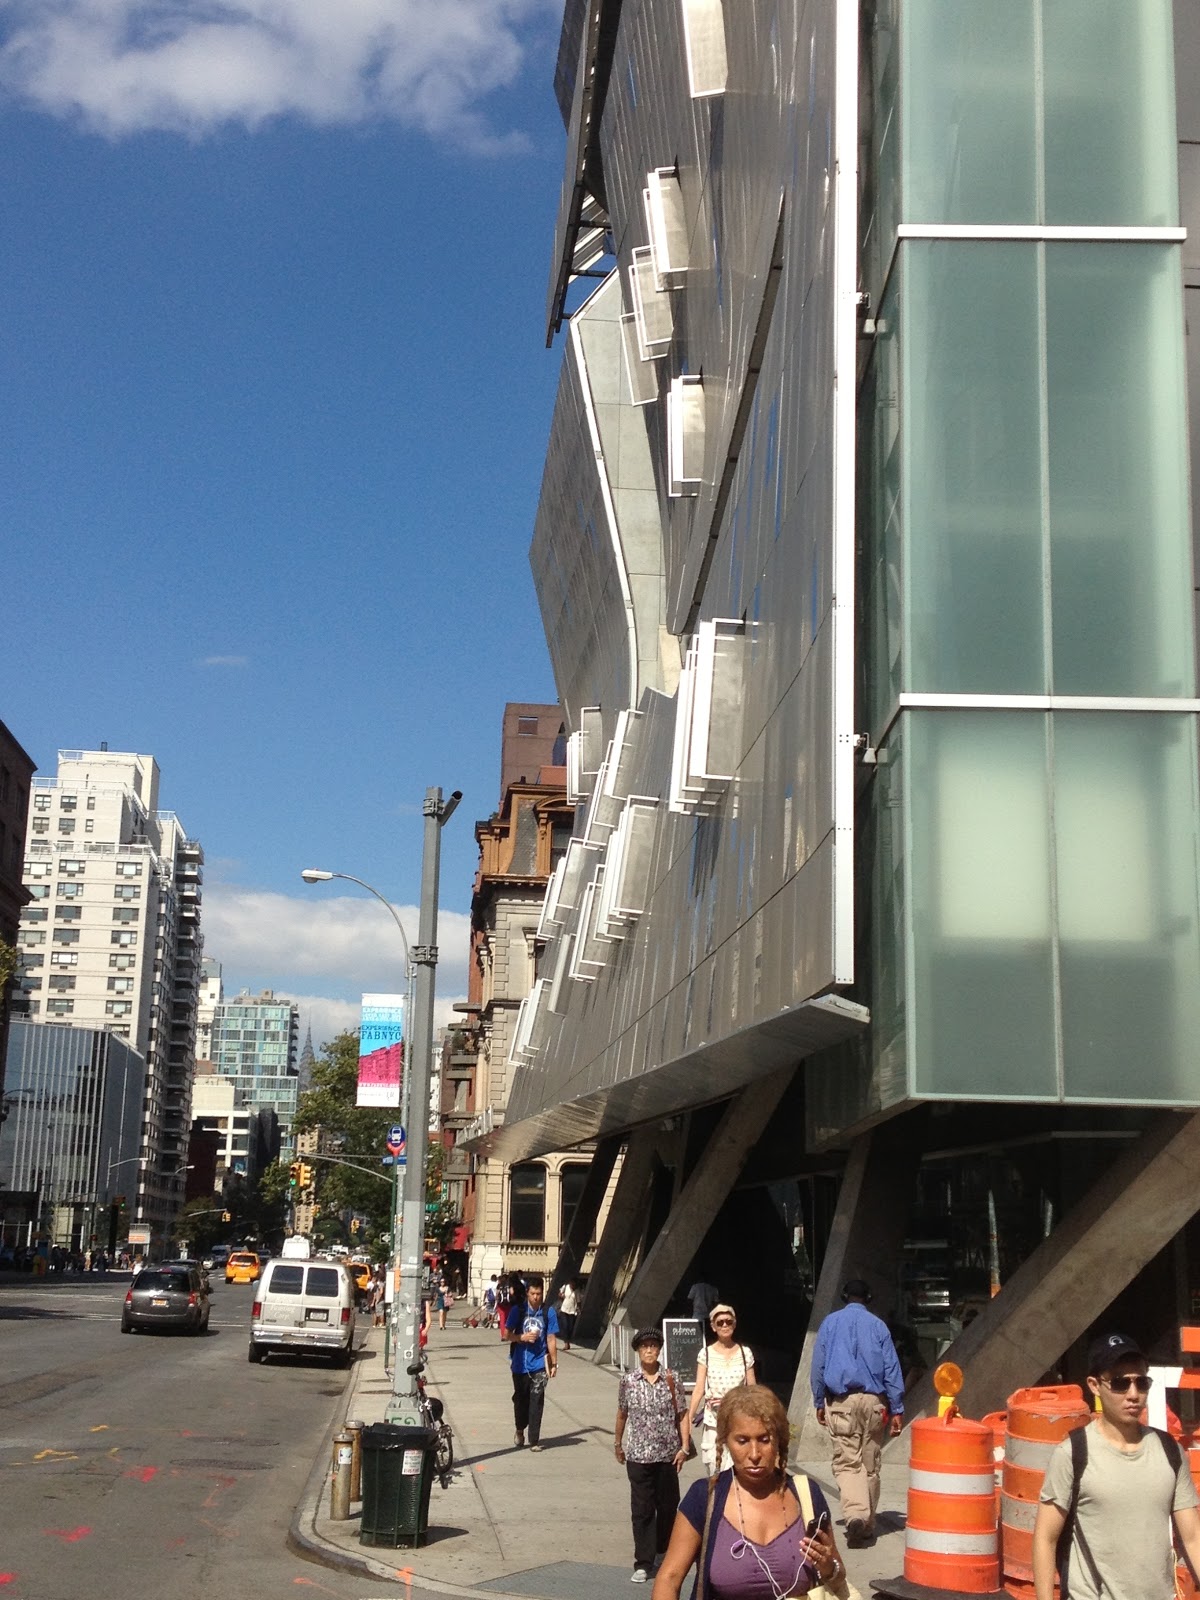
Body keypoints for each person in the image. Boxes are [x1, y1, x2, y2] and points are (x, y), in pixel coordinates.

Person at [1032, 1331, 1200, 1600]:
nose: (1133, 1394)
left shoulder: (1170, 1452)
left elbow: (1192, 1537)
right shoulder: (1074, 1453)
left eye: (1141, 1383)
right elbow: (1045, 1538)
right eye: (1121, 1384)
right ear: (1095, 1385)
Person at [653, 1385, 850, 1600]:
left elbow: (837, 1576)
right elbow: (669, 1578)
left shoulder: (807, 1495)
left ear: (779, 1441)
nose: (754, 1454)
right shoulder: (705, 1497)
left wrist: (829, 1567)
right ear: (725, 1441)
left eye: (764, 1440)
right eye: (743, 1441)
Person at [810, 1278, 904, 1546]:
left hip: (842, 1403)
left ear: (843, 1296)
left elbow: (818, 1367)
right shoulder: (879, 1326)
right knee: (870, 1465)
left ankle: (854, 1516)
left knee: (847, 1462)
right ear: (869, 1298)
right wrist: (897, 1407)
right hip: (875, 1403)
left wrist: (819, 1401)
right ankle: (868, 1523)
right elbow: (892, 1369)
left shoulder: (829, 1323)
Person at [615, 1328, 692, 1583]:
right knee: (642, 1509)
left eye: (653, 1346)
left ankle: (661, 1550)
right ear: (637, 1351)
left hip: (667, 1456)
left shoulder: (672, 1378)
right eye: (644, 1346)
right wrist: (618, 1443)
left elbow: (682, 1414)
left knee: (669, 1507)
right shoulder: (628, 1381)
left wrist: (684, 1447)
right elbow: (622, 1413)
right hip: (638, 1455)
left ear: (660, 1350)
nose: (649, 1350)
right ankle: (643, 1562)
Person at [692, 1304, 757, 1474]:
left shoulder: (745, 1353)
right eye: (720, 1322)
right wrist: (687, 1421)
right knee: (715, 1470)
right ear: (713, 1327)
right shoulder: (705, 1353)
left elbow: (753, 1389)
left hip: (739, 1420)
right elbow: (699, 1388)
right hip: (714, 1422)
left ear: (734, 1324)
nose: (725, 1326)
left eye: (729, 1321)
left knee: (739, 1469)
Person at [503, 1276, 558, 1450]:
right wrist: (522, 1337)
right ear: (527, 1293)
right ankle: (520, 1429)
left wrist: (554, 1363)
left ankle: (534, 1440)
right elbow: (506, 1335)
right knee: (521, 1400)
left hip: (540, 1365)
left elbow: (551, 1338)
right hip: (520, 1364)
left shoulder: (548, 1312)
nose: (536, 1297)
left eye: (539, 1294)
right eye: (533, 1293)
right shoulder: (518, 1311)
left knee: (537, 1400)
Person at [559, 1280, 579, 1349]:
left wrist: (579, 1309)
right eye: (571, 1284)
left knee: (570, 1328)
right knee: (565, 1326)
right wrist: (561, 1296)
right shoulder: (565, 1287)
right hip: (564, 1310)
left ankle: (568, 1341)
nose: (572, 1286)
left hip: (572, 1311)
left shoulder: (577, 1292)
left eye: (574, 1285)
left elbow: (578, 1302)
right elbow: (560, 1294)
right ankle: (566, 1343)